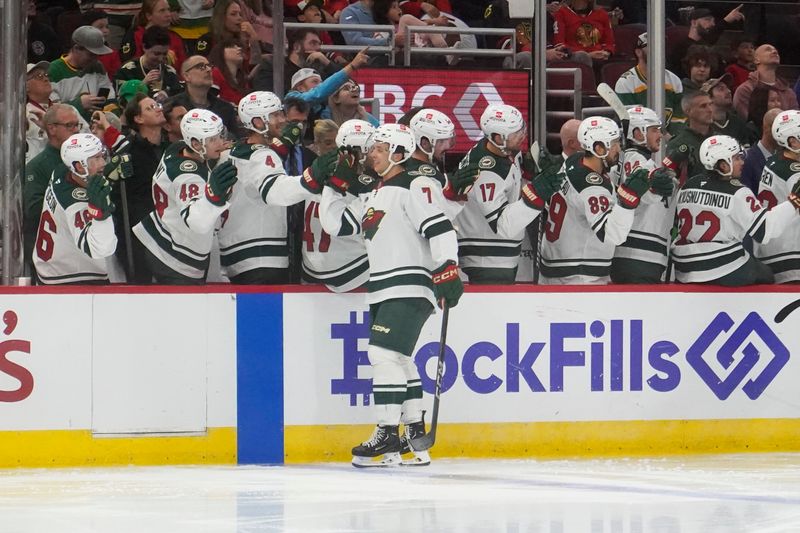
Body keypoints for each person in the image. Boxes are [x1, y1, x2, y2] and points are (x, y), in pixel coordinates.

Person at [318, 123, 464, 467]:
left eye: (380, 149)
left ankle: (386, 433)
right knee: (398, 360)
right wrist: (332, 185)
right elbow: (335, 224)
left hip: (409, 283)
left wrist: (447, 268)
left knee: (382, 355)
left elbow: (440, 226)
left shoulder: (415, 184)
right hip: (383, 286)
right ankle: (414, 437)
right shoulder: (376, 193)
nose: (372, 153)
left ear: (398, 153)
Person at [218, 91, 333, 284]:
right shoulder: (263, 156)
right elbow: (276, 191)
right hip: (262, 259)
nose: (283, 119)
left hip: (234, 255)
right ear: (257, 123)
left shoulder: (230, 152)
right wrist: (311, 178)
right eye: (275, 115)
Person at [454, 104, 563, 284]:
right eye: (516, 133)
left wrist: (527, 174)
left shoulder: (501, 150)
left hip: (495, 257)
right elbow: (503, 226)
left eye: (522, 128)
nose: (523, 135)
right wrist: (536, 193)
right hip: (487, 261)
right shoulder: (487, 173)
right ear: (498, 137)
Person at [671, 135, 799, 286]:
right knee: (766, 274)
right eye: (737, 158)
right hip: (722, 265)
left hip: (684, 265)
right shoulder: (737, 192)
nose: (742, 162)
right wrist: (793, 202)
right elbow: (764, 231)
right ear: (723, 165)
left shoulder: (688, 185)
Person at [539, 116, 651, 285]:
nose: (619, 149)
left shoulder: (573, 160)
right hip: (579, 276)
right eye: (614, 143)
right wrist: (627, 201)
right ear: (599, 149)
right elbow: (613, 234)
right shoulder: (592, 188)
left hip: (555, 267)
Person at [132, 109, 238, 284]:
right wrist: (214, 196)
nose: (221, 142)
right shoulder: (188, 177)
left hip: (163, 238)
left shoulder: (178, 148)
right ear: (196, 144)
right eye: (213, 139)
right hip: (175, 256)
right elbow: (196, 221)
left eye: (220, 135)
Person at [33, 133, 120, 285]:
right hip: (74, 278)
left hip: (51, 268)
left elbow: (88, 180)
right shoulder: (76, 204)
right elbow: (101, 249)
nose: (103, 163)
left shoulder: (61, 171)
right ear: (79, 166)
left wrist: (108, 178)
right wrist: (101, 216)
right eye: (96, 158)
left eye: (102, 156)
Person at [303, 119, 374, 291]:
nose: (376, 154)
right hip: (351, 273)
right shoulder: (366, 186)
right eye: (374, 148)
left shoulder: (314, 174)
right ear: (360, 151)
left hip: (311, 272)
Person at [610, 106, 676, 283]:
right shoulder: (635, 159)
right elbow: (645, 191)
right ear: (637, 133)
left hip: (636, 255)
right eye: (654, 130)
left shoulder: (632, 159)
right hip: (639, 257)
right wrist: (654, 184)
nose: (660, 135)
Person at [115, 93, 170, 283]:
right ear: (138, 119)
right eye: (149, 107)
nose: (157, 108)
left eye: (157, 105)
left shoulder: (172, 149)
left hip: (170, 231)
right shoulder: (128, 153)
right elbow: (121, 202)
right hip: (141, 235)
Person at [23, 104, 83, 271]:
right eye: (69, 125)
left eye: (77, 125)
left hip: (82, 248)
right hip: (53, 256)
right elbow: (34, 209)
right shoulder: (37, 166)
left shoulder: (85, 161)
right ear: (52, 129)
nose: (76, 130)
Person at [754, 110, 800, 283]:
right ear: (793, 142)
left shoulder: (774, 161)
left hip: (772, 251)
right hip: (790, 253)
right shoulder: (793, 173)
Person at [615, 33, 685, 132]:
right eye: (653, 46)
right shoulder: (626, 83)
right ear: (638, 52)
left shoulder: (674, 80)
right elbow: (629, 121)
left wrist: (672, 139)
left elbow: (679, 118)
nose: (659, 50)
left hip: (670, 140)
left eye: (661, 45)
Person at [48, 26, 115, 122]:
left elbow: (110, 99)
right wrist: (79, 105)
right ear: (76, 49)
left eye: (98, 55)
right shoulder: (54, 70)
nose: (95, 59)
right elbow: (51, 111)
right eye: (91, 54)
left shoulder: (97, 66)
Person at [667, 6, 745, 79]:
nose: (712, 24)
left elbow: (714, 33)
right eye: (707, 19)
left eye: (713, 21)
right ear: (694, 23)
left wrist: (727, 20)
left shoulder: (707, 45)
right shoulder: (681, 48)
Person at [171, 55, 239, 134]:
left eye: (209, 66)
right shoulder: (173, 107)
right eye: (201, 67)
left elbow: (235, 139)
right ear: (186, 76)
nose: (209, 69)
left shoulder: (226, 108)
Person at [115, 25, 182, 100]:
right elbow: (120, 98)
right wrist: (142, 84)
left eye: (164, 54)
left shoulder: (170, 72)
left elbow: (179, 95)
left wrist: (166, 94)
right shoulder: (127, 70)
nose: (160, 59)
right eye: (156, 54)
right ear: (144, 47)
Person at [119, 0, 188, 71]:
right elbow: (129, 67)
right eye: (162, 11)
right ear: (149, 16)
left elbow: (184, 68)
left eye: (168, 10)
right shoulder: (135, 36)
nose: (168, 14)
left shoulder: (175, 38)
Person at [733, 44, 798, 119]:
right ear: (756, 60)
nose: (774, 52)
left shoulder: (788, 91)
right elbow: (744, 120)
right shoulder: (745, 90)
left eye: (776, 51)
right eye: (768, 50)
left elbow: (795, 119)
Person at [662, 91, 714, 184]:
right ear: (688, 111)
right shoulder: (677, 144)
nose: (710, 110)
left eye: (710, 104)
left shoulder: (722, 138)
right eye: (703, 106)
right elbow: (669, 177)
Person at [552, 0, 615, 64]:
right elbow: (559, 45)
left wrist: (606, 52)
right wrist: (587, 56)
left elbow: (609, 42)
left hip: (600, 60)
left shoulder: (602, 14)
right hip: (574, 61)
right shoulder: (562, 13)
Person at [704, 75, 756, 148]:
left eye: (727, 88)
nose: (729, 91)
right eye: (721, 89)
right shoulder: (703, 125)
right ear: (708, 97)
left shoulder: (738, 122)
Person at [742, 108, 782, 194]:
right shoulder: (747, 161)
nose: (783, 135)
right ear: (767, 128)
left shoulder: (784, 158)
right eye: (780, 130)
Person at [208, 39, 251, 105]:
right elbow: (211, 100)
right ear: (220, 52)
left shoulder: (242, 77)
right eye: (231, 47)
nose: (239, 49)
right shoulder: (215, 73)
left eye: (238, 46)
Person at [83, 9, 122, 80]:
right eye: (100, 27)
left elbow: (115, 80)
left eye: (107, 27)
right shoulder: (78, 54)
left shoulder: (113, 54)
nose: (105, 31)